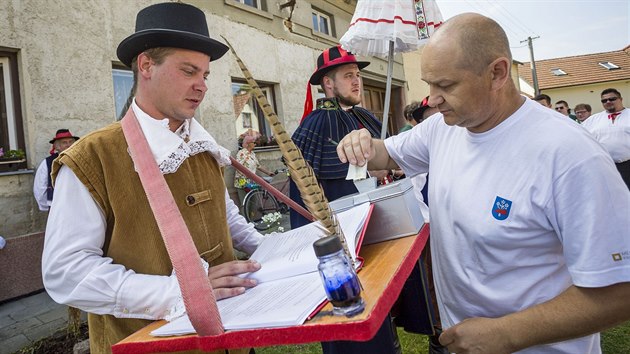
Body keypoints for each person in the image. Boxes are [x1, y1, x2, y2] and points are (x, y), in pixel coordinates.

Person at [336, 13, 630, 354]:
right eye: (429, 84)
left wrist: (506, 334)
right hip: (457, 341)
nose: (431, 100)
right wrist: (362, 145)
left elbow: (619, 291)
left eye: (446, 85)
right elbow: (386, 154)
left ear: (498, 73)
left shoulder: (570, 156)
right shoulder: (443, 128)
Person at [41, 3, 263, 354]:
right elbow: (66, 271)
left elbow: (227, 217)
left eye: (205, 75)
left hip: (229, 337)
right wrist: (177, 293)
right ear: (146, 65)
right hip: (149, 345)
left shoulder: (203, 145)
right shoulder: (93, 156)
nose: (200, 86)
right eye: (189, 71)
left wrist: (278, 254)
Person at [582, 88, 630, 189]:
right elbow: (580, 137)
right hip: (604, 167)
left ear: (621, 99)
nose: (608, 102)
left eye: (612, 99)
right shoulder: (593, 120)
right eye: (604, 100)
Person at [33, 129, 79, 211]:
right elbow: (40, 187)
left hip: (78, 204)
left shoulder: (80, 160)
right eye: (64, 142)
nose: (68, 145)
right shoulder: (48, 163)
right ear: (57, 146)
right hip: (57, 206)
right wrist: (48, 206)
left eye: (70, 142)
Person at [234, 132, 276, 206]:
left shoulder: (252, 154)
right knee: (245, 204)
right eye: (254, 142)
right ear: (248, 143)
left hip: (251, 181)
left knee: (254, 203)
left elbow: (258, 165)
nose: (255, 144)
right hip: (242, 182)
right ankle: (245, 217)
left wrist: (268, 172)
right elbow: (237, 166)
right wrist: (246, 176)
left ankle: (252, 217)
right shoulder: (241, 153)